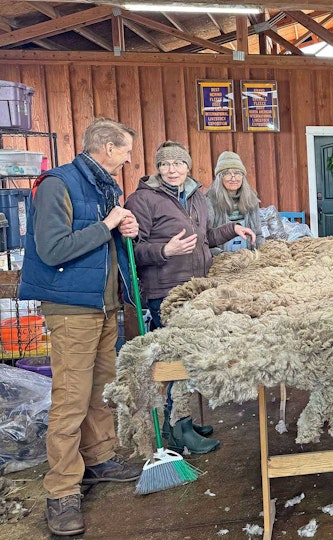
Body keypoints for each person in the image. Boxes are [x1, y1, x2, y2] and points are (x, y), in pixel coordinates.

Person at [18, 118, 143, 536]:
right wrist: (107, 225)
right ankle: (62, 490)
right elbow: (52, 248)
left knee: (100, 389)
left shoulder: (103, 186)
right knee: (71, 397)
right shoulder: (58, 184)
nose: (128, 158)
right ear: (106, 147)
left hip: (105, 305)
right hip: (72, 308)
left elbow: (101, 242)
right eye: (125, 150)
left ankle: (98, 458)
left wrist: (126, 229)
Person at [124, 141, 256, 454]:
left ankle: (181, 419)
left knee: (187, 358)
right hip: (164, 291)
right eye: (165, 164)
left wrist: (232, 229)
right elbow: (132, 250)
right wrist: (164, 250)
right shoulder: (143, 200)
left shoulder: (195, 195)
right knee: (175, 360)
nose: (172, 170)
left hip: (194, 288)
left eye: (178, 164)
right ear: (157, 168)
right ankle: (177, 428)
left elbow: (205, 238)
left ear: (188, 166)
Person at [206, 151, 264, 255]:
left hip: (248, 259)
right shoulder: (209, 201)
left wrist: (262, 252)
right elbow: (205, 239)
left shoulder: (251, 200)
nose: (233, 178)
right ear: (219, 177)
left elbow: (258, 234)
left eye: (237, 173)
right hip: (220, 261)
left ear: (243, 176)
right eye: (227, 173)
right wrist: (223, 256)